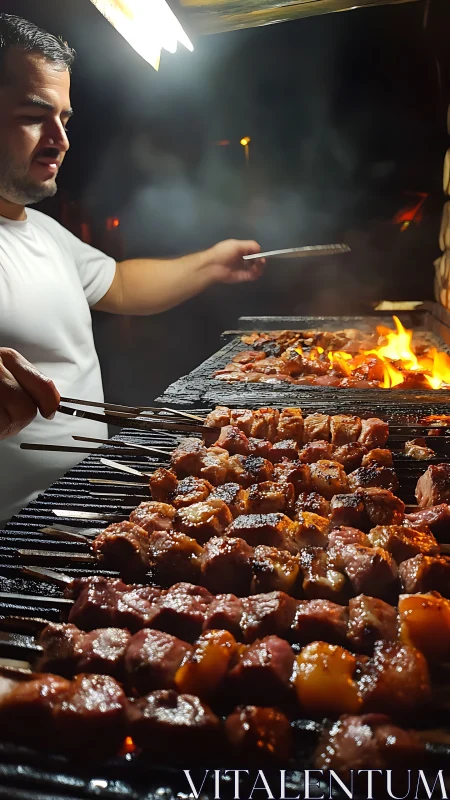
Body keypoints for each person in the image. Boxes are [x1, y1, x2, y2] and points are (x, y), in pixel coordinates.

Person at [0, 14, 264, 523]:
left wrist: (211, 262)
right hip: (13, 539)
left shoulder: (42, 231)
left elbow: (119, 285)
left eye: (65, 119)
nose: (61, 139)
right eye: (33, 116)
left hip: (86, 517)